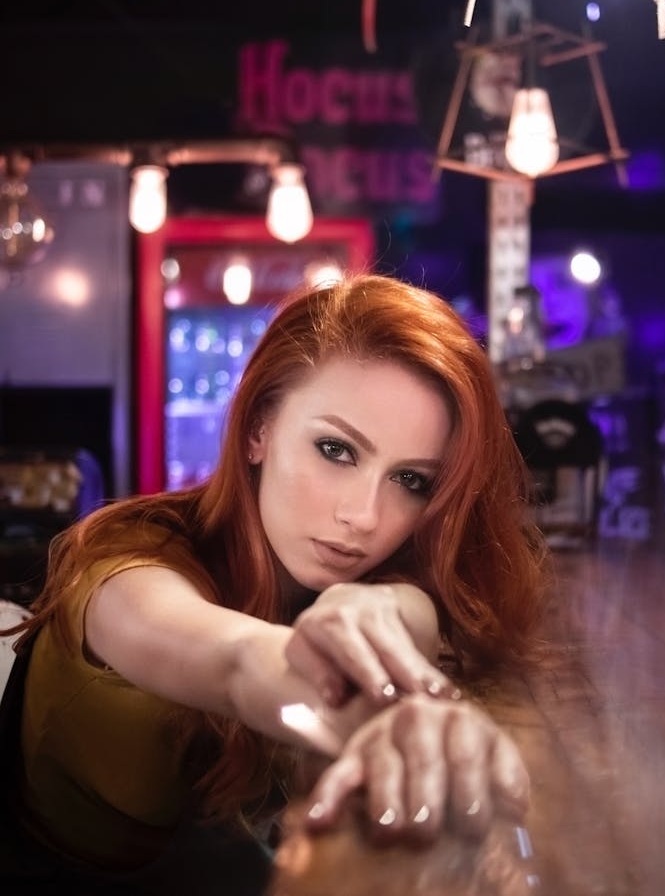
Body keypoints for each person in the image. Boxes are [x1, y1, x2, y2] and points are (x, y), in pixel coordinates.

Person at [0, 273, 548, 895]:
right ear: (260, 428)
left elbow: (406, 617)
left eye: (411, 481)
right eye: (337, 450)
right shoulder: (130, 577)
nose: (363, 516)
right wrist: (373, 718)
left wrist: (392, 612)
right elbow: (240, 662)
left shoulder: (356, 577)